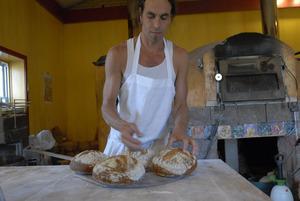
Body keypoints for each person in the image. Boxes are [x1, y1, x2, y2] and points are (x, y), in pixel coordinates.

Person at [101, 0, 199, 156]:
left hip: (158, 150)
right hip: (122, 148)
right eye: (151, 16)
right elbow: (107, 104)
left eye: (164, 17)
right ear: (140, 15)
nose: (156, 25)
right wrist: (121, 125)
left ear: (171, 18)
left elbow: (180, 105)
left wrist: (180, 128)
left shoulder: (179, 57)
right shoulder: (119, 54)